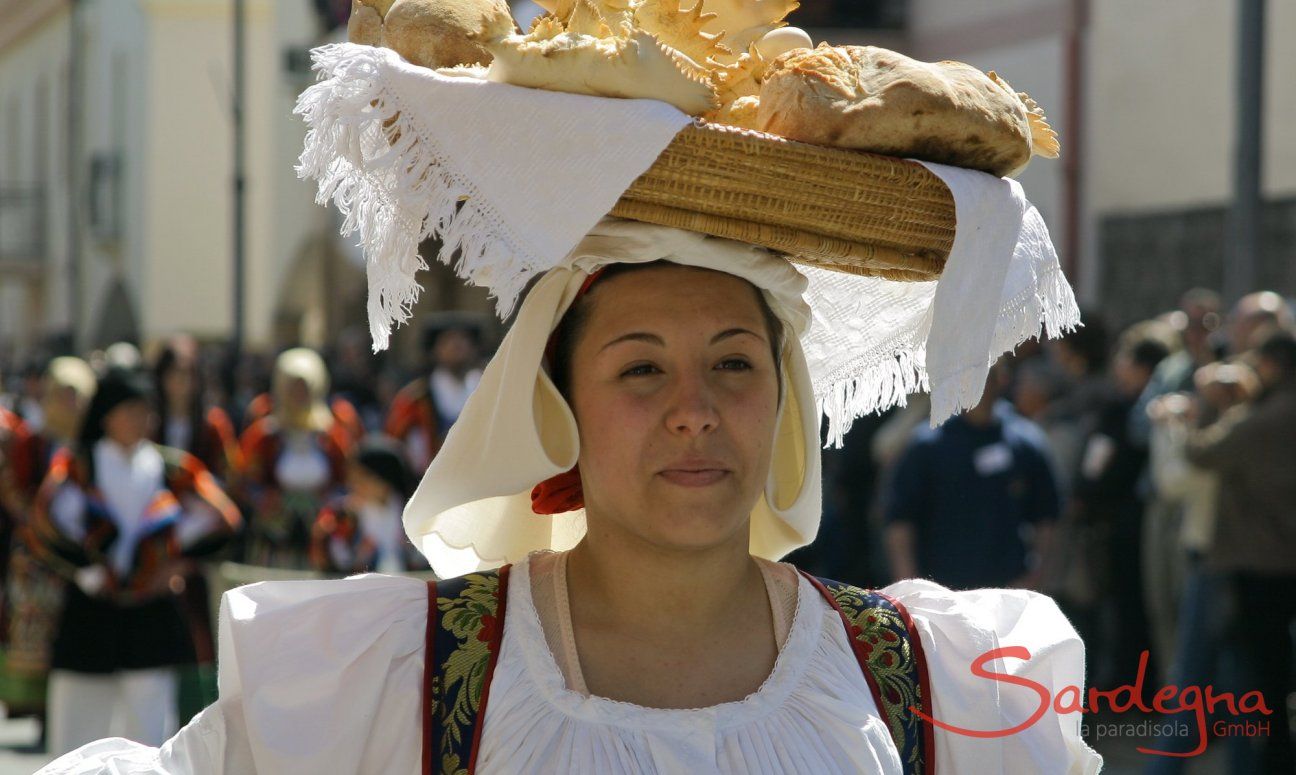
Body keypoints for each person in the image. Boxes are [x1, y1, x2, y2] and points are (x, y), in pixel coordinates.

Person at [26, 368, 242, 756]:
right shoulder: (76, 464)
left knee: (149, 729)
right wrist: (83, 567)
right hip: (90, 608)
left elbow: (224, 520)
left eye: (145, 411)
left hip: (150, 612)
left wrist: (180, 564)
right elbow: (42, 522)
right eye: (129, 410)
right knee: (77, 722)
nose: (139, 420)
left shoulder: (173, 467)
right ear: (106, 415)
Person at [1185, 330, 1296, 773]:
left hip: (1261, 565)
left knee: (1260, 677)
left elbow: (1203, 452)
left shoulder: (1267, 418)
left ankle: (1269, 762)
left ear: (1273, 366)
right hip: (1281, 557)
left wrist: (1206, 403)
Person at [883, 360, 1061, 591]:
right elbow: (900, 521)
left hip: (1009, 592)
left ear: (1001, 379)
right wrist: (909, 589)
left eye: (986, 375)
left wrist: (1036, 578)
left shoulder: (1025, 442)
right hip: (943, 592)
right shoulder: (927, 445)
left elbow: (1047, 517)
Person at [0, 357, 96, 734]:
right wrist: (39, 519)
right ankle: (42, 712)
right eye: (62, 395)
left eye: (76, 396)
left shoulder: (91, 443)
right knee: (39, 635)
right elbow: (13, 489)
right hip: (37, 554)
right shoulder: (32, 441)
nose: (69, 405)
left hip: (80, 551)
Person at [236, 348, 351, 569]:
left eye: (305, 388)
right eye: (293, 388)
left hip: (320, 534)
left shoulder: (331, 434)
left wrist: (331, 507)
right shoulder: (265, 435)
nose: (299, 395)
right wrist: (267, 502)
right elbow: (244, 481)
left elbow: (348, 479)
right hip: (275, 535)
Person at [309, 436, 428, 574]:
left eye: (362, 477)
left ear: (385, 479)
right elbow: (331, 563)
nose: (353, 484)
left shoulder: (414, 512)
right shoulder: (341, 516)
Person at [384, 313, 486, 474]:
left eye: (463, 340)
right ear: (434, 349)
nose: (456, 347)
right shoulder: (415, 397)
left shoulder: (489, 388)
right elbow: (397, 445)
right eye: (448, 341)